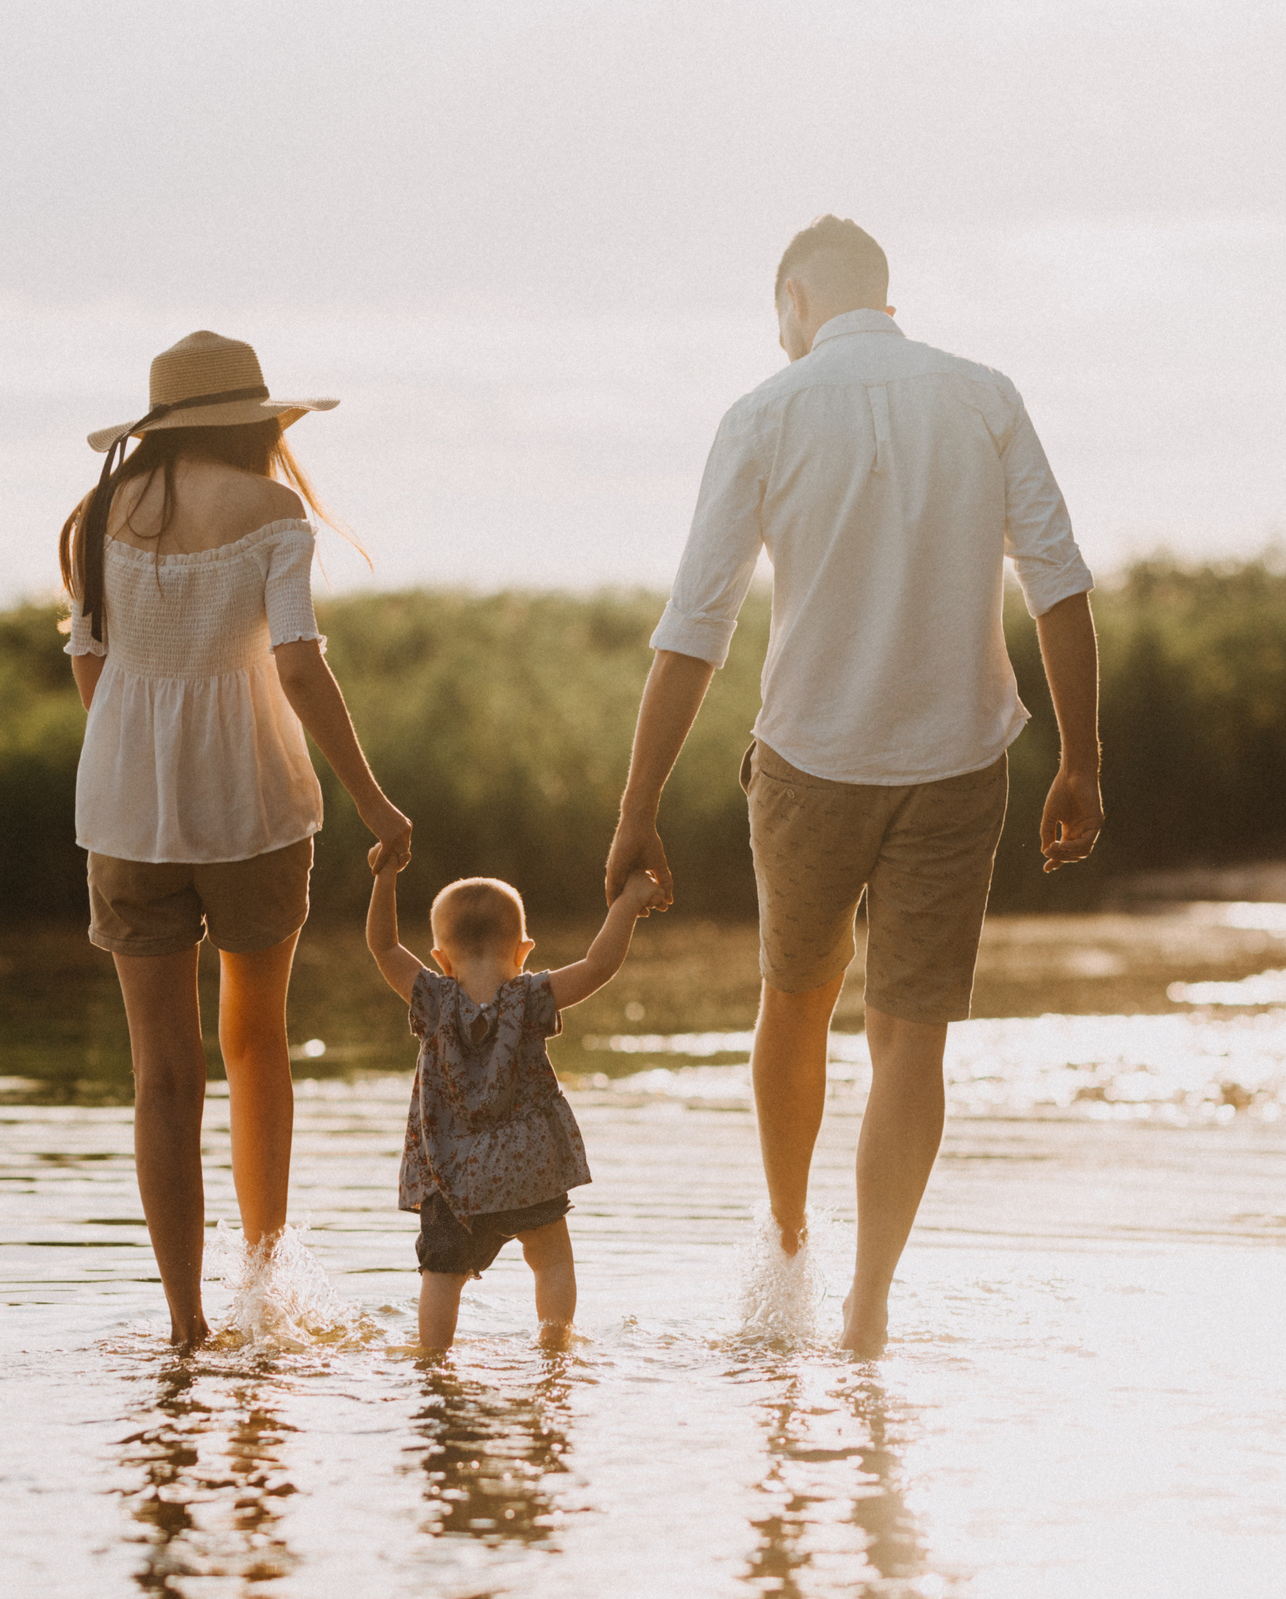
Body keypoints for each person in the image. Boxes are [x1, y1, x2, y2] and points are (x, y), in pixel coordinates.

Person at [602, 216, 1104, 1358]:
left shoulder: (763, 414)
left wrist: (637, 809)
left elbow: (696, 629)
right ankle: (867, 1299)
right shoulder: (983, 394)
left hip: (809, 762)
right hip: (956, 757)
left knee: (794, 999)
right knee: (909, 1039)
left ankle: (787, 1249)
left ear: (792, 298)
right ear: (888, 294)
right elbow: (1060, 582)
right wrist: (1080, 759)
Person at [62, 330, 413, 1351]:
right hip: (254, 807)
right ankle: (264, 1293)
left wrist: (144, 760)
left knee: (160, 1073)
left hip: (126, 821)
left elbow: (93, 673)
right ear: (256, 422)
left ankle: (183, 1325)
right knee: (255, 1044)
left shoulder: (91, 519)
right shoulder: (273, 513)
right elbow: (299, 668)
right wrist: (375, 802)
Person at [365, 863, 663, 1351]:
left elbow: (383, 946)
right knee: (551, 1264)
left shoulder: (433, 999)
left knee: (441, 1273)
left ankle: (433, 1361)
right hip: (529, 1169)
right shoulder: (531, 998)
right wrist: (628, 904)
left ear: (441, 959)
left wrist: (386, 876)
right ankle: (554, 1348)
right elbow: (598, 966)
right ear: (524, 951)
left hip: (450, 1175)